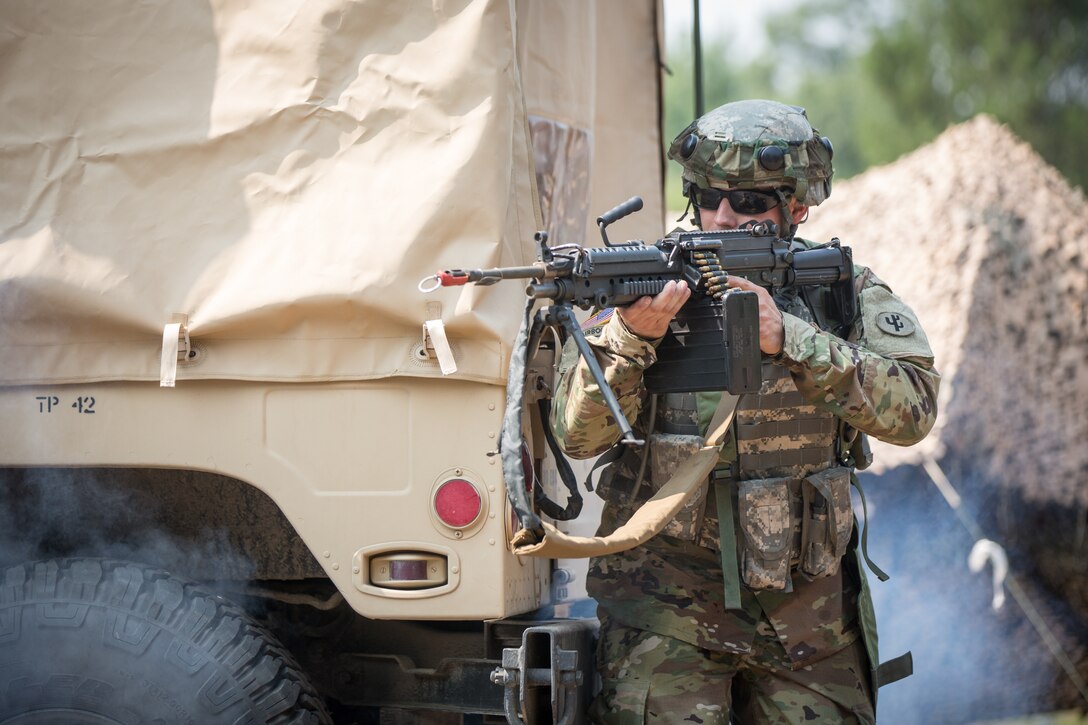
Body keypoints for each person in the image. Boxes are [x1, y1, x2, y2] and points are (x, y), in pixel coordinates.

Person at [550, 100, 940, 723]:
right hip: (668, 612)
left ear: (799, 207)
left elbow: (914, 409)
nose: (723, 217)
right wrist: (631, 338)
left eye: (750, 204)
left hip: (809, 615)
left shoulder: (839, 290)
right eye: (708, 197)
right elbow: (575, 435)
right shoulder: (646, 282)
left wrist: (790, 337)